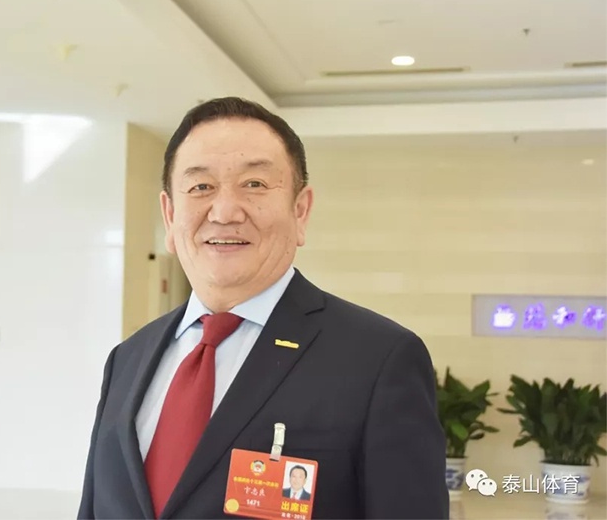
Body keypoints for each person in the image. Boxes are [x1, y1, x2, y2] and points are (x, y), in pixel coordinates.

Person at [78, 97, 449, 519]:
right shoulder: (127, 359)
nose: (224, 212)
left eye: (254, 184)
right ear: (169, 214)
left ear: (300, 210)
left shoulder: (378, 359)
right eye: (201, 187)